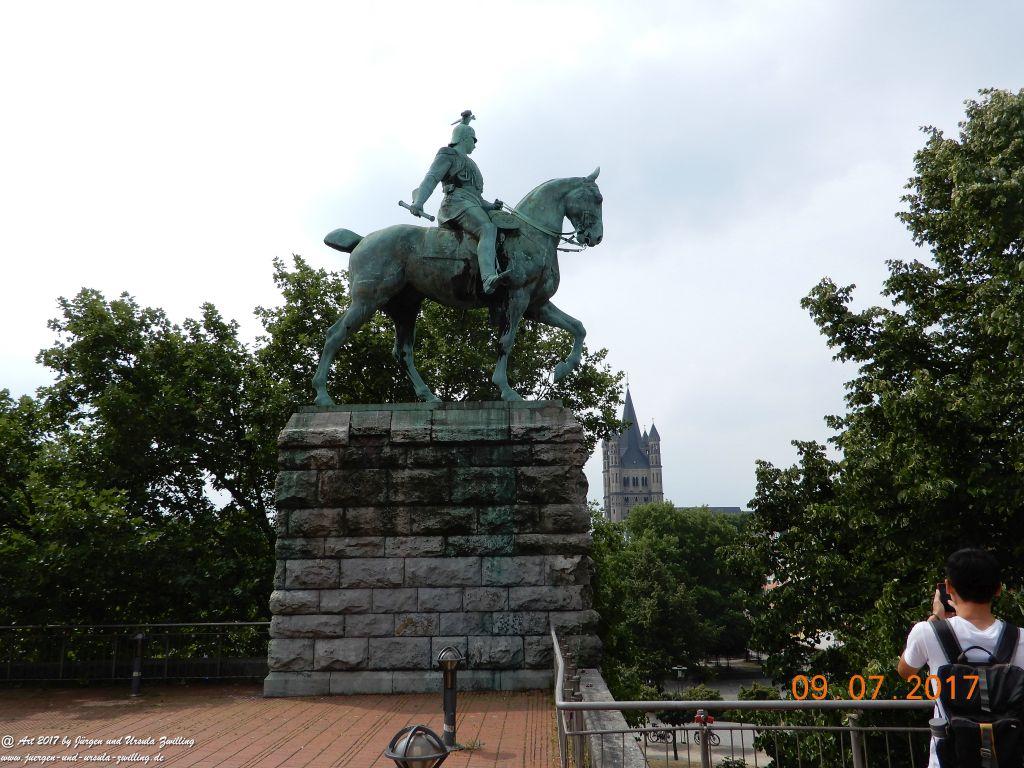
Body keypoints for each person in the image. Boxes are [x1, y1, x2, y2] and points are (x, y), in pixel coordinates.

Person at [897, 548, 1024, 768]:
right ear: (998, 589)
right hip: (1009, 758)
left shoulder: (928, 632)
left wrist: (936, 618)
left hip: (948, 760)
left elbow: (905, 671)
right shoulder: (1020, 638)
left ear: (948, 588)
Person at [408, 110, 511, 295]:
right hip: (454, 205)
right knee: (487, 229)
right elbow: (431, 178)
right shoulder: (448, 154)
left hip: (470, 205)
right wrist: (419, 202)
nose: (475, 145)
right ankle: (488, 278)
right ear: (464, 138)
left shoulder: (472, 164)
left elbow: (477, 199)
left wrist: (491, 206)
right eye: (474, 140)